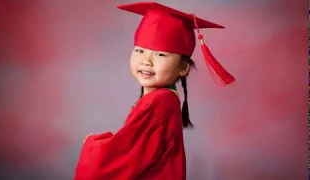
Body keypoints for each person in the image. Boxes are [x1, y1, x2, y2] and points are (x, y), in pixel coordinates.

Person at [74, 2, 234, 180]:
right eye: (140, 51)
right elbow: (139, 146)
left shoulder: (159, 101)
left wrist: (93, 146)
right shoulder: (165, 97)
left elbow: (127, 156)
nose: (146, 61)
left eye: (160, 54)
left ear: (183, 68)